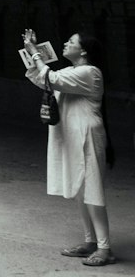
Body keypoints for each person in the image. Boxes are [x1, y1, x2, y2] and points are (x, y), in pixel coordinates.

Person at [23, 27, 115, 266]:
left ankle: (104, 248)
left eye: (71, 41)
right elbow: (41, 78)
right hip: (74, 136)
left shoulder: (90, 72)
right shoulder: (73, 70)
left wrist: (35, 53)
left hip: (87, 135)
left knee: (92, 190)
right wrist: (33, 53)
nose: (65, 43)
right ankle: (90, 242)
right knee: (79, 190)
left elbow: (51, 79)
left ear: (83, 50)